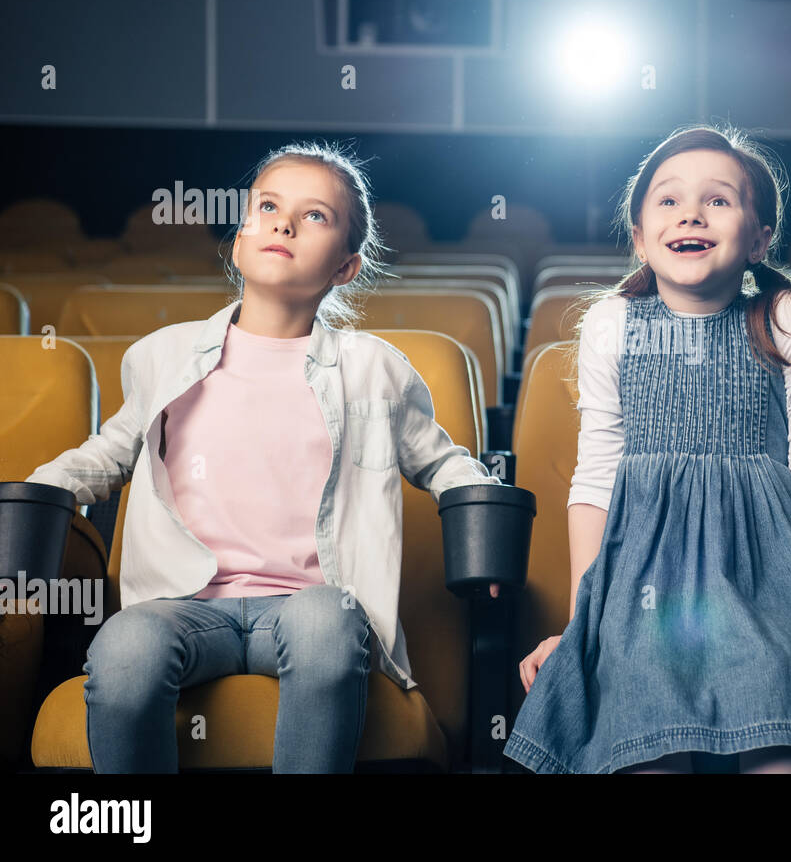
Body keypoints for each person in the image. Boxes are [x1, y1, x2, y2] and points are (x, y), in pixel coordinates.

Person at [27, 141, 501, 772]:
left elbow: (445, 464)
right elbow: (110, 452)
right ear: (239, 239)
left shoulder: (375, 371)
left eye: (314, 217)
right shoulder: (163, 356)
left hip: (310, 602)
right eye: (269, 207)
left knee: (326, 624)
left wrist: (485, 524)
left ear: (345, 266)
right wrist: (38, 489)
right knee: (125, 649)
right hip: (187, 605)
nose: (283, 223)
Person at [502, 125, 791, 775]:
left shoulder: (787, 319)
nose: (690, 212)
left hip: (762, 587)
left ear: (758, 238)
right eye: (667, 200)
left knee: (779, 725)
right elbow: (596, 478)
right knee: (644, 729)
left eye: (718, 200)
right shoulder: (612, 324)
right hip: (639, 593)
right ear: (638, 237)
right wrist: (586, 620)